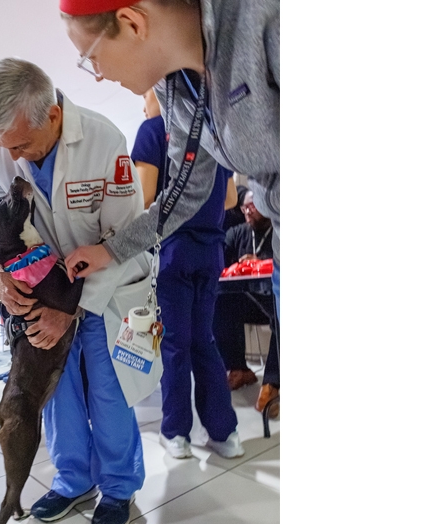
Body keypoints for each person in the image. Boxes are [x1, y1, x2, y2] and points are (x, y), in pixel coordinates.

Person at [0, 57, 161, 524]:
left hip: (108, 286)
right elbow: (2, 227)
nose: (13, 154)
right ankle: (73, 478)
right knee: (53, 394)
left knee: (108, 388)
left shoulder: (104, 142)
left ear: (53, 116)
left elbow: (123, 239)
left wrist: (71, 308)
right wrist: (0, 275)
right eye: (4, 146)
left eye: (21, 143)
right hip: (45, 288)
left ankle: (118, 487)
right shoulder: (2, 150)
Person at [58, 0, 281, 322]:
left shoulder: (264, 16)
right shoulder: (172, 87)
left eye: (92, 58)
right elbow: (186, 190)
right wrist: (111, 250)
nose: (99, 75)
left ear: (132, 23)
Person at [131, 88, 244, 459]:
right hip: (211, 252)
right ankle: (225, 433)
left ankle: (176, 432)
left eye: (146, 92)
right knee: (204, 341)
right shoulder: (212, 131)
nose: (142, 101)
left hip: (171, 252)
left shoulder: (153, 131)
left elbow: (143, 198)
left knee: (175, 344)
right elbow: (229, 199)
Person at [214, 189, 280, 417]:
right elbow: (221, 264)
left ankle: (273, 383)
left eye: (252, 206)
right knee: (220, 303)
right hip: (248, 302)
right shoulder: (237, 233)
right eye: (244, 207)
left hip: (273, 300)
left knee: (283, 316)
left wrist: (261, 263)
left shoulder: (279, 233)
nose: (247, 211)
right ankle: (239, 368)